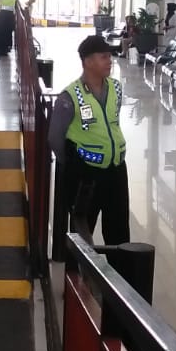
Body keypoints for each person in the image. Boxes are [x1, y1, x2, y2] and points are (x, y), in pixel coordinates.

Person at [48, 35, 130, 246]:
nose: (109, 61)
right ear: (87, 61)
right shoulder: (69, 97)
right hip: (86, 175)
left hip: (116, 170)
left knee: (119, 230)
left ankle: (117, 276)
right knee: (83, 234)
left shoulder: (116, 88)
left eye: (109, 56)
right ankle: (80, 277)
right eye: (103, 57)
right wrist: (73, 165)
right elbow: (55, 138)